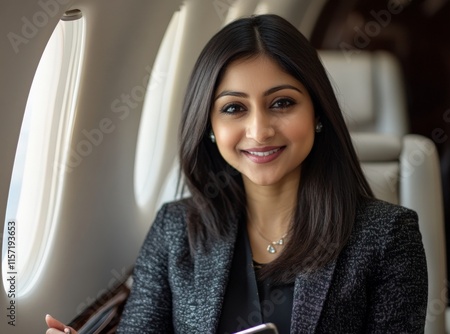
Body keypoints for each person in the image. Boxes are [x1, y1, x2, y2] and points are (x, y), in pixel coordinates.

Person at [46, 14, 427, 334]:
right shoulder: (175, 231)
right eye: (233, 109)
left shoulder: (388, 237)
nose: (259, 131)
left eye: (282, 103)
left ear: (318, 113)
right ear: (209, 125)